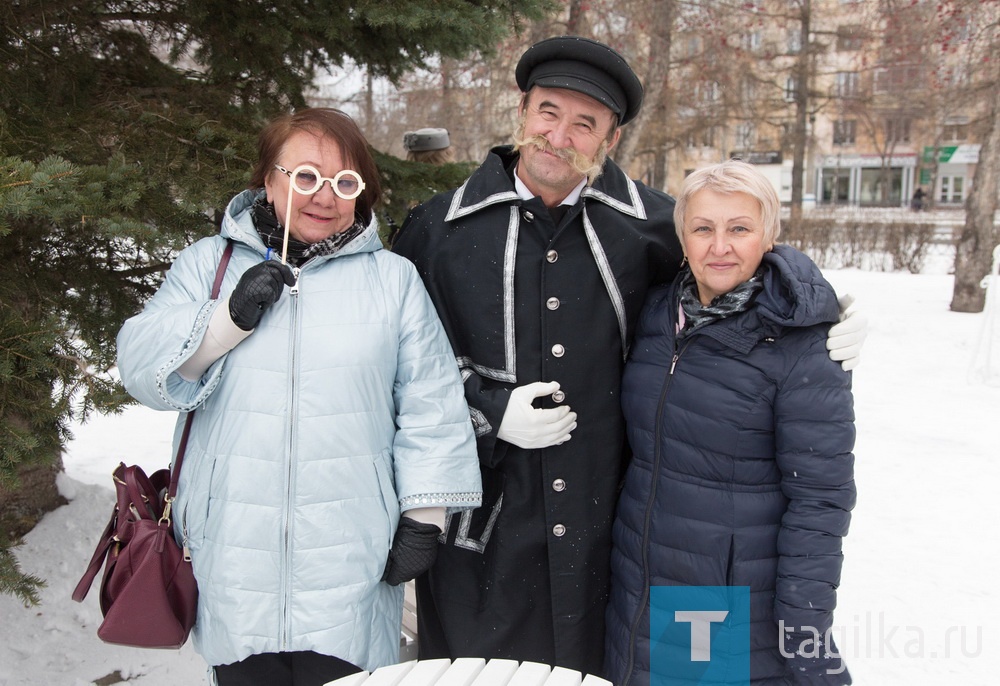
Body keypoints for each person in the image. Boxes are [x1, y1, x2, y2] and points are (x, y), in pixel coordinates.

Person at [393, 36, 865, 676]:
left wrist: (820, 307)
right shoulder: (437, 228)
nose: (560, 135)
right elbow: (398, 367)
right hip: (481, 545)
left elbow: (731, 269)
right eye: (548, 112)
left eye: (584, 124)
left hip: (612, 547)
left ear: (609, 139)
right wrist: (489, 411)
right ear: (522, 111)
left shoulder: (650, 227)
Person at [116, 108, 482, 686]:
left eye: (344, 182)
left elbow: (431, 405)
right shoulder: (207, 265)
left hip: (349, 555)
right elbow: (139, 366)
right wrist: (226, 321)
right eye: (305, 176)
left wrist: (425, 517)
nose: (324, 196)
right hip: (233, 551)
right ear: (268, 180)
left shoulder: (392, 281)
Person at [605, 160, 855, 686]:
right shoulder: (655, 313)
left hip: (713, 594)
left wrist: (803, 622)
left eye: (739, 228)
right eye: (703, 228)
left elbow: (821, 497)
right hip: (636, 577)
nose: (720, 246)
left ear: (768, 235)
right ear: (683, 240)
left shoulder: (799, 344)